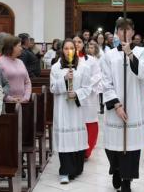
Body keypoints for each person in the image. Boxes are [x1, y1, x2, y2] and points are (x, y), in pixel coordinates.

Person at [101, 18, 144, 192]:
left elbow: (143, 73)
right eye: (120, 29)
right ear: (116, 32)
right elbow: (106, 82)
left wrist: (130, 54)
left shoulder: (142, 52)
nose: (124, 32)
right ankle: (115, 169)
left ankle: (127, 180)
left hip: (134, 106)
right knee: (112, 145)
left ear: (132, 32)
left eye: (127, 29)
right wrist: (116, 105)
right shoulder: (109, 55)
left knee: (131, 148)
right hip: (116, 106)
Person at [50, 39, 92, 184]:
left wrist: (77, 94)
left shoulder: (84, 67)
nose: (69, 51)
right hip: (62, 108)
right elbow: (52, 88)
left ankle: (76, 168)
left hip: (76, 108)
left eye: (71, 48)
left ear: (76, 50)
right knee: (65, 139)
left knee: (77, 139)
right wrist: (64, 79)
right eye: (66, 48)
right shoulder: (56, 67)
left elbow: (88, 88)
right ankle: (65, 171)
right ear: (62, 50)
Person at [73, 34, 102, 159]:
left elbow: (97, 75)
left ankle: (87, 150)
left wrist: (85, 86)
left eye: (79, 42)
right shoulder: (64, 60)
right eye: (74, 42)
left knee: (90, 121)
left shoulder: (91, 60)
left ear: (83, 44)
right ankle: (76, 148)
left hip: (88, 96)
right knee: (76, 122)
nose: (76, 44)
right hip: (73, 96)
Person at [0, 35, 31, 103]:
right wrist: (8, 98)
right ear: (11, 47)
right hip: (6, 103)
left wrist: (26, 97)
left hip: (23, 102)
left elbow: (27, 82)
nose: (21, 48)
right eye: (19, 46)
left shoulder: (20, 62)